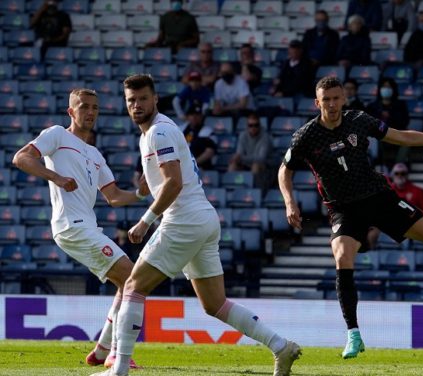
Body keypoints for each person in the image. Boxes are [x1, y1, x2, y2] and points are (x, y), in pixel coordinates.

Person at [90, 75, 301, 376]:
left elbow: (174, 183)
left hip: (183, 220)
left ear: (155, 99)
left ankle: (119, 368)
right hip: (202, 218)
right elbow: (172, 179)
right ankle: (281, 346)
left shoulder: (158, 132)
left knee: (134, 286)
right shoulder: (157, 131)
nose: (136, 105)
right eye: (131, 101)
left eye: (142, 99)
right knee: (214, 303)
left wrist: (145, 221)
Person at [278, 76, 423, 359]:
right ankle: (354, 335)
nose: (332, 104)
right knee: (341, 255)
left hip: (379, 197)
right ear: (318, 103)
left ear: (343, 99)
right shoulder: (305, 136)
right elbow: (284, 170)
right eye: (326, 100)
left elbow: (401, 136)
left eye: (337, 98)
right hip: (343, 207)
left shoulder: (359, 120)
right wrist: (290, 202)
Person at [12, 88, 143, 370]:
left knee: (129, 281)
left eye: (95, 107)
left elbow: (115, 197)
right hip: (71, 226)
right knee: (133, 277)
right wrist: (56, 177)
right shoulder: (57, 134)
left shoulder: (95, 154)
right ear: (71, 111)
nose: (90, 112)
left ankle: (102, 350)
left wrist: (143, 193)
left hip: (87, 227)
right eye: (84, 106)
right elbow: (21, 158)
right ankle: (114, 353)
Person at [367, 163, 423, 249]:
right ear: (392, 175)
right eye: (397, 173)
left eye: (402, 173)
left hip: (411, 223)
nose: (399, 176)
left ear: (407, 175)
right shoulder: (387, 190)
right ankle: (372, 258)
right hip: (390, 223)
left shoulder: (418, 191)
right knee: (371, 233)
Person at [228, 112, 272, 178]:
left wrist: (241, 158)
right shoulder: (243, 135)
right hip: (246, 163)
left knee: (256, 166)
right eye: (250, 125)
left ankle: (253, 187)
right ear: (247, 126)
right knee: (233, 165)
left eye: (256, 125)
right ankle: (231, 186)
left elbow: (261, 158)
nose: (253, 128)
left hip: (264, 165)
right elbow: (239, 153)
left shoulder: (265, 137)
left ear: (259, 125)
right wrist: (237, 158)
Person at [180, 103, 216, 171]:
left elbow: (210, 152)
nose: (194, 117)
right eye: (192, 115)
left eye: (197, 115)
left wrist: (194, 163)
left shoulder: (208, 132)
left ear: (201, 117)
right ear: (187, 116)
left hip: (201, 168)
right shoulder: (180, 130)